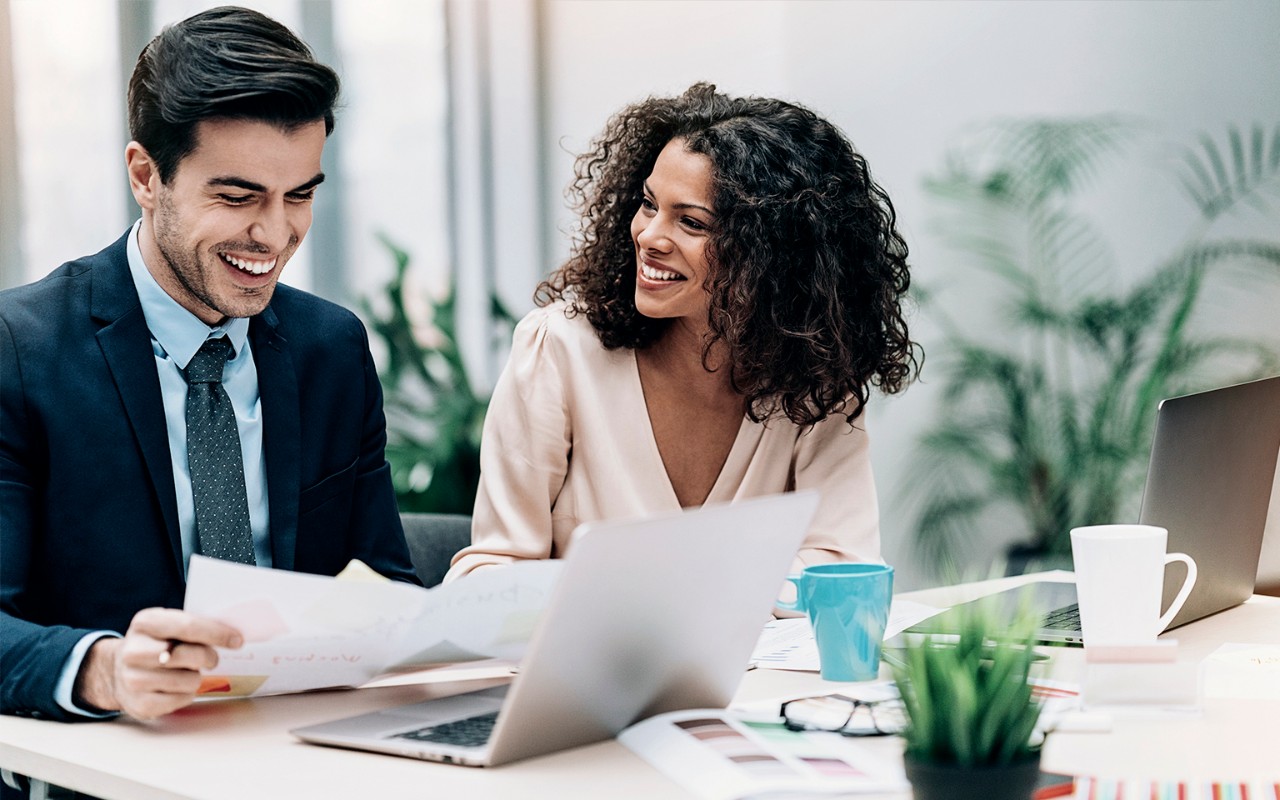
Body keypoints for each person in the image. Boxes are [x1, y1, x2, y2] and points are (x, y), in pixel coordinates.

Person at [0, 6, 418, 730]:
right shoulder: (20, 347)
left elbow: (385, 587)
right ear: (145, 175)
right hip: (109, 762)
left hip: (303, 751)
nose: (275, 233)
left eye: (300, 195)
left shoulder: (333, 350)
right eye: (237, 196)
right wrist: (104, 670)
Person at [446, 83, 920, 583]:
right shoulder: (559, 348)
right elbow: (489, 572)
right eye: (649, 204)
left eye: (691, 222)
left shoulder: (813, 375)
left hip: (756, 666)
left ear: (774, 253)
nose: (648, 236)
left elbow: (845, 566)